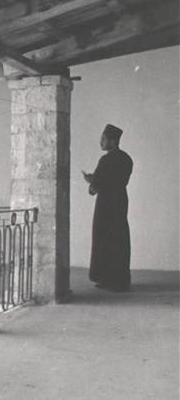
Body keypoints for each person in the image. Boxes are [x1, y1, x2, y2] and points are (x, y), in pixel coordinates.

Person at [82, 124, 133, 292]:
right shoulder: (127, 159)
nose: (100, 142)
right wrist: (97, 182)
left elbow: (97, 186)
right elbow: (118, 182)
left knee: (103, 239)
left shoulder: (105, 160)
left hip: (105, 205)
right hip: (119, 203)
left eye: (103, 139)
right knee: (118, 239)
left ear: (112, 140)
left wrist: (91, 182)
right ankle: (119, 279)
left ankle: (105, 277)